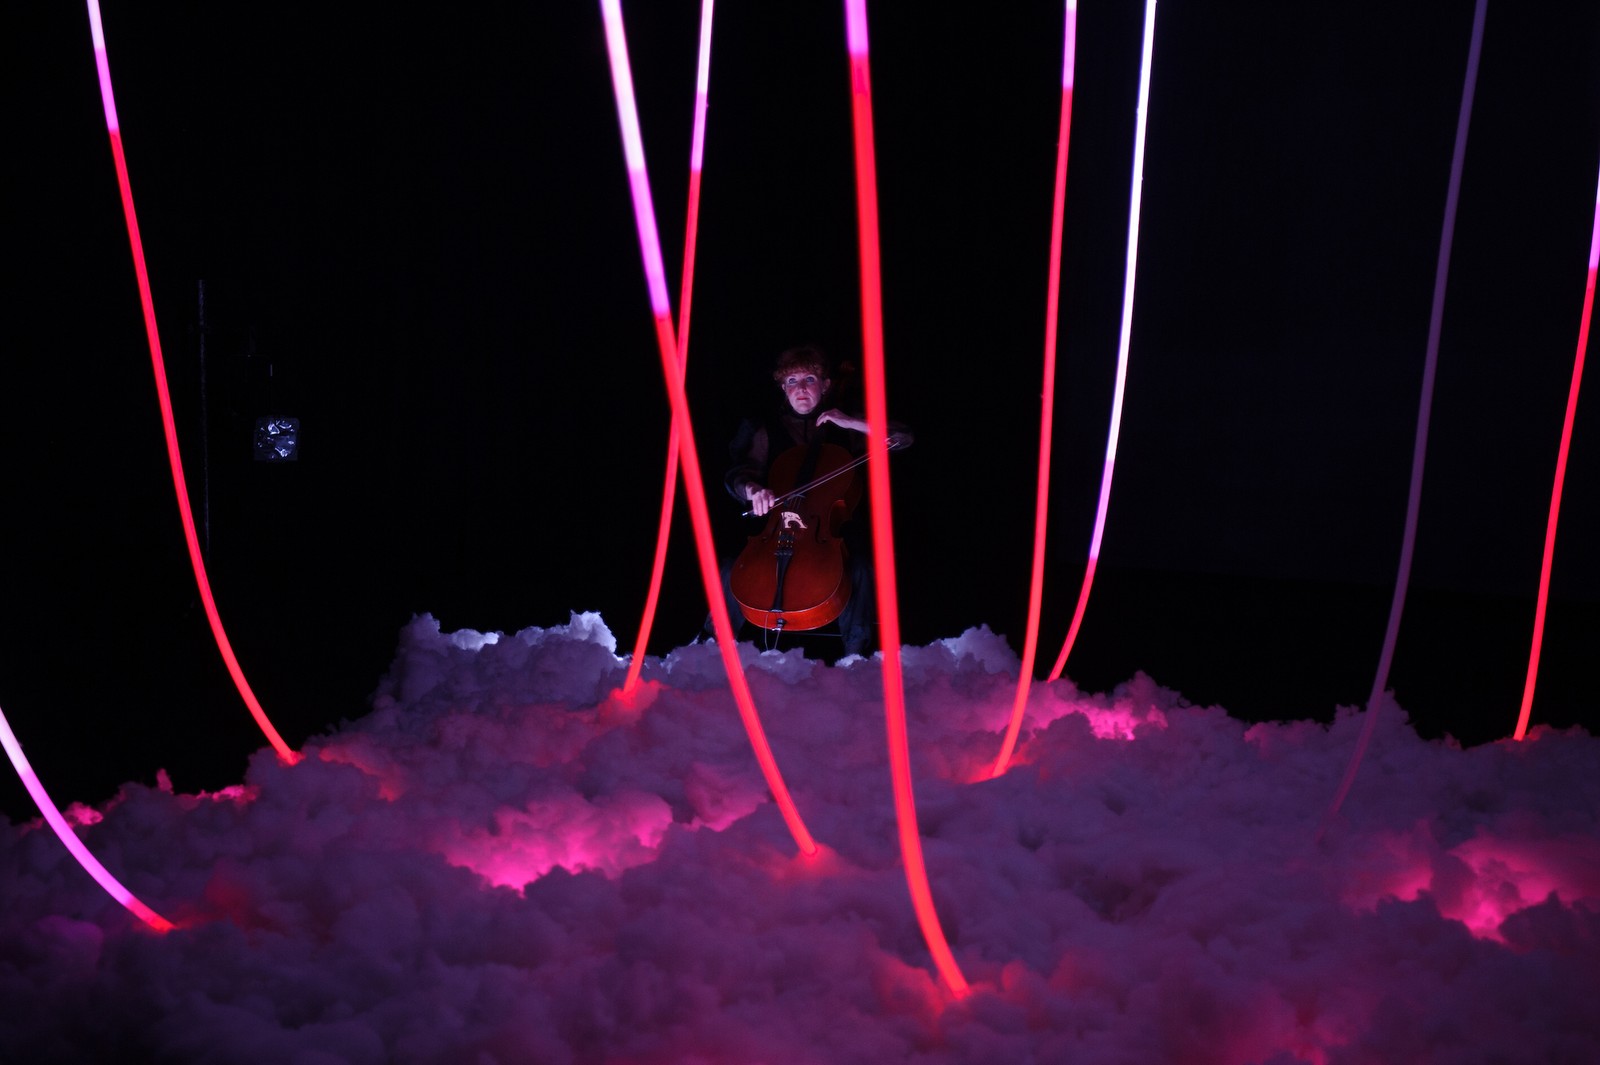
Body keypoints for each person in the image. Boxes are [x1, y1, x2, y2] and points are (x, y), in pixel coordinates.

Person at [714, 345, 911, 658]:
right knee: (729, 567)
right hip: (777, 525)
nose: (800, 388)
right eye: (792, 382)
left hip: (831, 530)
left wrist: (852, 423)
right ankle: (714, 644)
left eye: (809, 379)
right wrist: (753, 490)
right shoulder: (766, 429)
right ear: (783, 389)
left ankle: (855, 653)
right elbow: (741, 471)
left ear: (826, 385)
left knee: (862, 565)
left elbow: (901, 438)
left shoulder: (844, 425)